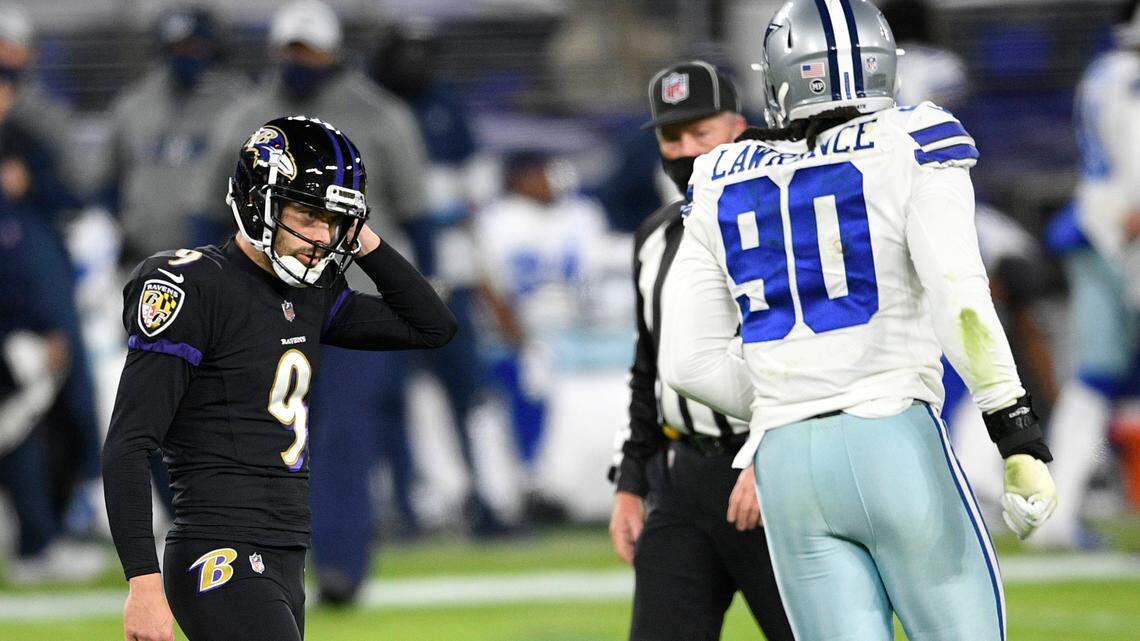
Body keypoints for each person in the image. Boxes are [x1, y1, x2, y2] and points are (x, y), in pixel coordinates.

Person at [660, 2, 1057, 639]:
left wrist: (791, 398)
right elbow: (959, 297)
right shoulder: (915, 138)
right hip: (893, 437)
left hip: (786, 464)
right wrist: (1015, 430)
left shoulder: (716, 172)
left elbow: (687, 362)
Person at [101, 116, 456, 641]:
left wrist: (362, 238)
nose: (322, 236)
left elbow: (432, 326)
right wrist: (143, 584)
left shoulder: (312, 294)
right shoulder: (189, 285)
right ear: (257, 201)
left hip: (286, 549)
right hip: (218, 548)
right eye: (308, 214)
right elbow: (128, 444)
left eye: (334, 221)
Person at [192, 0, 434, 604]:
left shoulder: (379, 115)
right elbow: (207, 209)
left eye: (309, 50)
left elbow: (418, 212)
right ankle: (258, 567)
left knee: (346, 435)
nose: (299, 61)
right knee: (266, 435)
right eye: (290, 50)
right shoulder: (245, 116)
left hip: (352, 296)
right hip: (265, 301)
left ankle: (341, 571)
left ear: (332, 52)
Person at [607, 60, 794, 641]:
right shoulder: (655, 236)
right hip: (683, 477)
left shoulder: (785, 217)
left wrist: (771, 452)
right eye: (672, 136)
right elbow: (649, 367)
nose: (686, 149)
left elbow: (806, 350)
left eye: (701, 133)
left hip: (773, 473)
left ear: (739, 128)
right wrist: (632, 480)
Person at [1036, 0, 1140, 548]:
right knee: (1097, 375)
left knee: (1099, 377)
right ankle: (1058, 507)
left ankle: (1059, 506)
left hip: (1097, 225)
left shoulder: (1103, 70)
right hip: (1120, 235)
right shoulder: (1130, 77)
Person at [102, 6, 246, 266]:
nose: (187, 56)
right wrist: (123, 228)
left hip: (222, 261)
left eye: (195, 47)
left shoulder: (240, 106)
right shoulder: (135, 106)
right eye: (178, 47)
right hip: (145, 256)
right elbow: (108, 182)